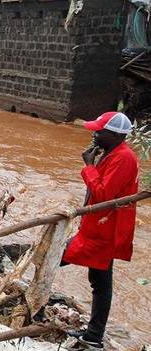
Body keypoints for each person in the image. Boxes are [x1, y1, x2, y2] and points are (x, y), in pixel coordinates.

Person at [61, 112, 139, 351]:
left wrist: (88, 167)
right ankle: (93, 334)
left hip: (105, 228)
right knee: (98, 280)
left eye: (99, 131)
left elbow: (104, 194)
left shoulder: (124, 158)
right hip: (98, 225)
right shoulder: (112, 153)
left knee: (60, 258)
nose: (95, 135)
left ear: (115, 135)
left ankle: (94, 336)